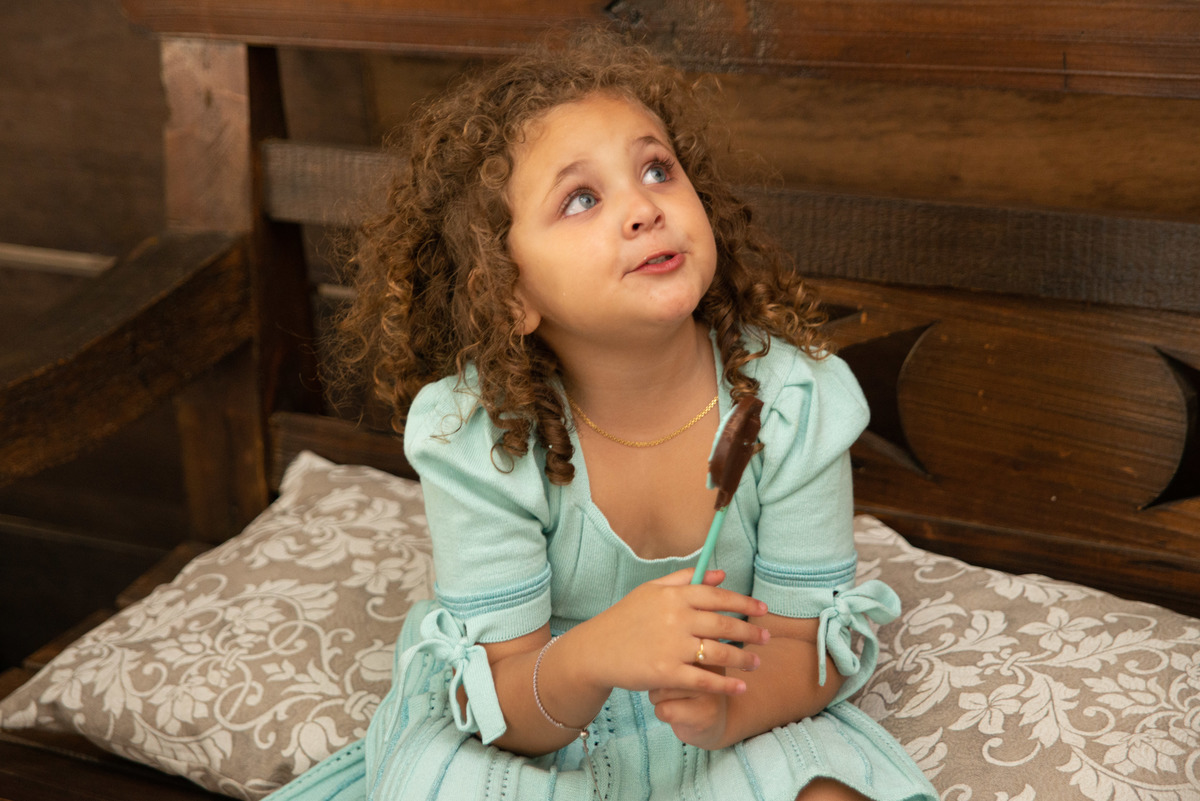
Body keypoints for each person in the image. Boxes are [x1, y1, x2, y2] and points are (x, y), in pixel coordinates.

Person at [268, 27, 937, 801]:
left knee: (827, 791)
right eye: (581, 198)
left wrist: (729, 713)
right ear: (506, 290)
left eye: (657, 169)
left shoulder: (790, 401)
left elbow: (805, 644)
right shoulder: (483, 433)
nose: (644, 208)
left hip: (731, 700)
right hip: (539, 717)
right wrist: (596, 654)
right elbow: (502, 696)